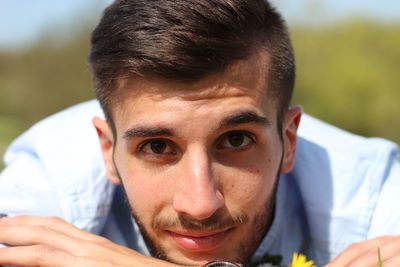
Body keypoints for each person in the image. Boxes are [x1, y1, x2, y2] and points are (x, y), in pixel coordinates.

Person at [0, 0, 399, 266]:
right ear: (108, 150)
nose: (200, 204)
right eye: (157, 147)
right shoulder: (52, 179)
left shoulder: (370, 190)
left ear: (289, 141)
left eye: (236, 140)